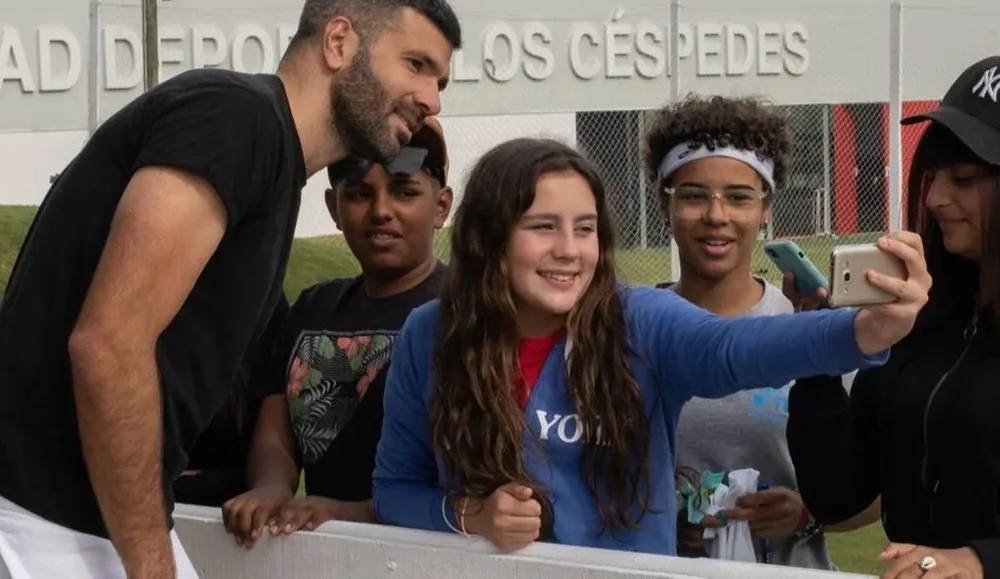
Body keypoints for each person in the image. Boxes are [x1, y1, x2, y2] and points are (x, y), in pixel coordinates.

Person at [0, 0, 460, 579]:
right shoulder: (235, 117)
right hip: (41, 525)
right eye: (416, 65)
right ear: (339, 42)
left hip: (91, 525)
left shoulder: (271, 163)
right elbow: (108, 344)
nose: (431, 100)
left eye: (440, 81)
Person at [370, 136, 930, 556]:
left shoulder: (638, 320)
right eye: (542, 227)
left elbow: (732, 348)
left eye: (585, 228)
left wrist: (862, 330)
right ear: (488, 236)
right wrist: (472, 514)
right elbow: (393, 490)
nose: (569, 249)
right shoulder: (431, 333)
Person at [786, 55, 1000, 579]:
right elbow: (837, 496)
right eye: (933, 177)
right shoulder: (920, 319)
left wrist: (980, 559)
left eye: (964, 178)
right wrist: (820, 352)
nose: (937, 198)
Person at [220, 118, 453, 548]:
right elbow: (274, 429)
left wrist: (350, 514)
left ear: (441, 207)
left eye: (404, 192)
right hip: (319, 551)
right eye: (360, 194)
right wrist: (273, 485)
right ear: (333, 208)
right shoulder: (314, 307)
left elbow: (466, 482)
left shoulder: (466, 312)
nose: (381, 210)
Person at [641, 94, 838, 569]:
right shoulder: (631, 328)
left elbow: (873, 484)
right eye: (693, 195)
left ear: (765, 207)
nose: (717, 215)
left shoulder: (808, 327)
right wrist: (658, 517)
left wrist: (806, 511)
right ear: (665, 205)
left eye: (738, 196)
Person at [172, 295, 290, 507]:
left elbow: (273, 433)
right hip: (135, 490)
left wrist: (271, 485)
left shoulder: (264, 301)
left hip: (230, 505)